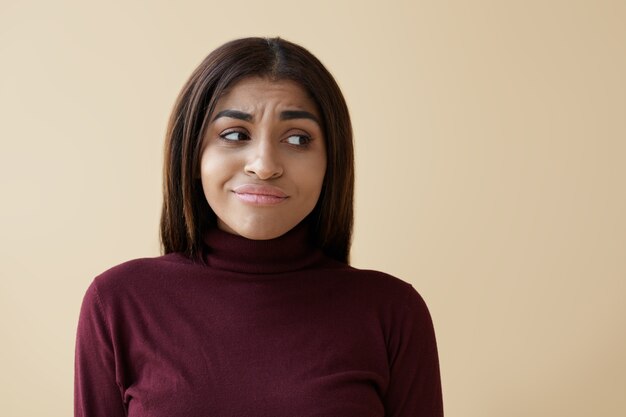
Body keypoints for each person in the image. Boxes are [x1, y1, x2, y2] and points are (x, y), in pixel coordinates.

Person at [74, 37, 443, 417]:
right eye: (235, 134)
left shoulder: (392, 313)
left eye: (298, 139)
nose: (264, 165)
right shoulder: (118, 303)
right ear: (193, 153)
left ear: (331, 162)